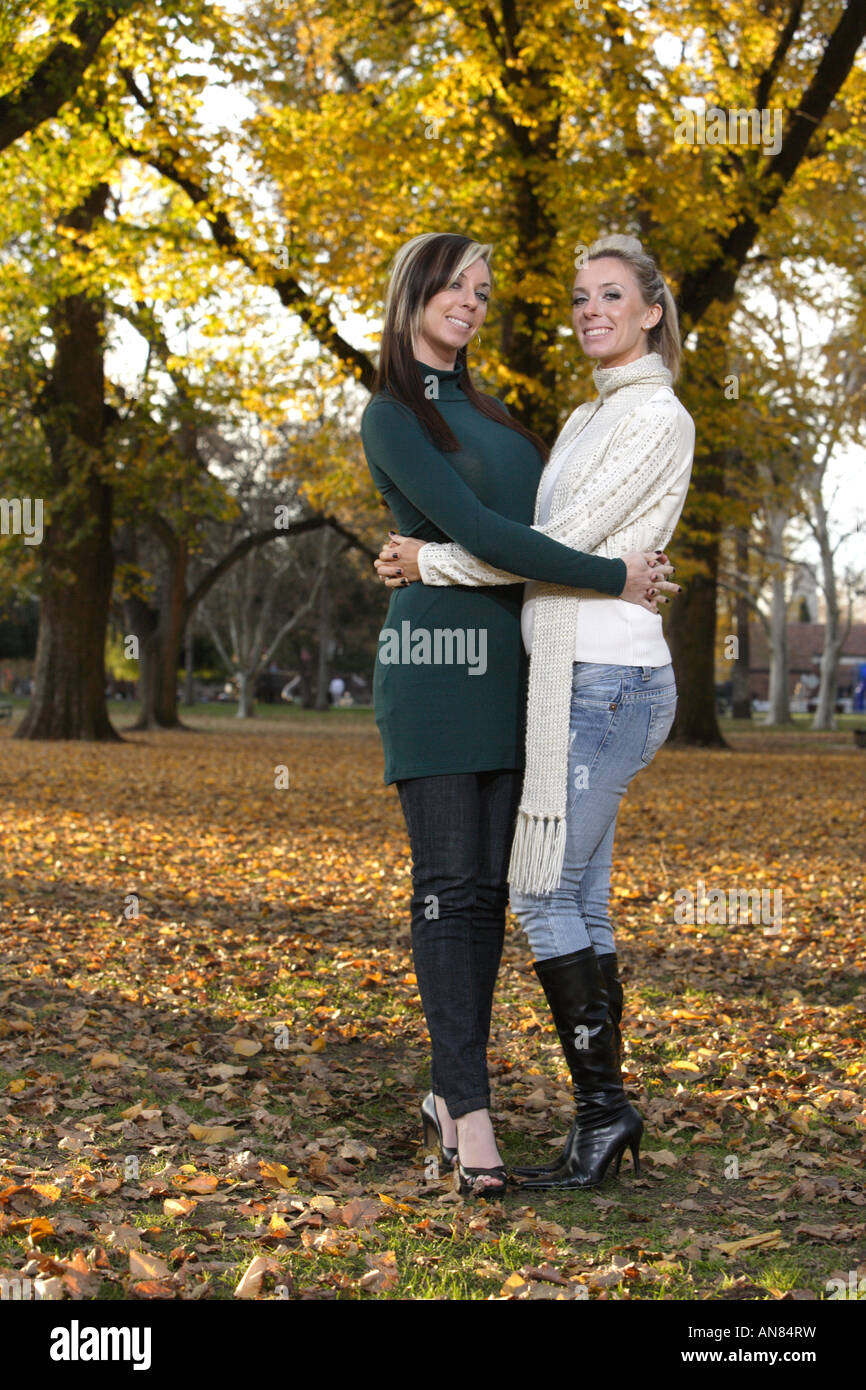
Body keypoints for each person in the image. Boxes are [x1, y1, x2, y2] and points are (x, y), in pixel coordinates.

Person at [375, 233, 694, 1189]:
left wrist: (437, 556)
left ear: (651, 309)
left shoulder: (549, 417)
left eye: (484, 287)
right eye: (453, 286)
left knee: (537, 891)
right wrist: (609, 570)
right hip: (457, 668)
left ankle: (600, 1108)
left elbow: (540, 539)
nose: (471, 301)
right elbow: (511, 536)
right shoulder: (407, 415)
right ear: (415, 295)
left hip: (565, 674)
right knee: (479, 889)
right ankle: (482, 1104)